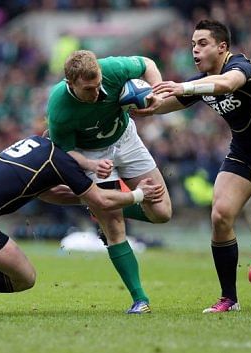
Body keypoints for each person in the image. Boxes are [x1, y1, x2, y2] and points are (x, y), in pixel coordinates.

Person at [134, 19, 251, 313]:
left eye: (202, 44)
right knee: (221, 215)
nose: (195, 51)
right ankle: (229, 298)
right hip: (243, 154)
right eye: (192, 45)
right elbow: (160, 105)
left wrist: (184, 86)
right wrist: (131, 107)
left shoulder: (239, 67)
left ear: (222, 47)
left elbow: (227, 84)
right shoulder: (201, 80)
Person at [0, 135, 164, 315]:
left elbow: (46, 193)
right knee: (24, 278)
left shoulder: (36, 142)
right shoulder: (61, 159)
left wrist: (87, 198)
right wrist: (139, 194)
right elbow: (100, 199)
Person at [46, 50, 173, 314]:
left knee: (162, 213)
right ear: (71, 84)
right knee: (114, 225)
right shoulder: (59, 109)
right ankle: (140, 299)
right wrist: (92, 165)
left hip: (126, 139)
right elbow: (65, 150)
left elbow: (148, 63)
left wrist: (156, 94)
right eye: (88, 89)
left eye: (98, 85)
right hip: (90, 155)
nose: (97, 93)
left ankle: (97, 202)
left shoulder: (112, 69)